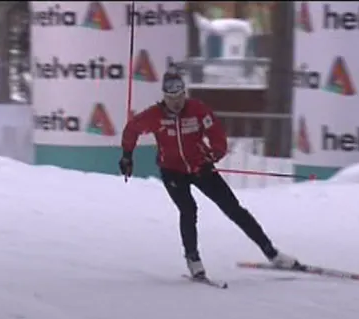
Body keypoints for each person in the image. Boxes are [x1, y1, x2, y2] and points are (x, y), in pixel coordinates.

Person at [118, 68, 302, 279]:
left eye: (180, 97)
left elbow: (217, 136)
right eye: (171, 98)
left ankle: (272, 253)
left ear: (184, 93)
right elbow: (131, 129)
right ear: (164, 97)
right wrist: (127, 156)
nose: (176, 103)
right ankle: (193, 259)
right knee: (188, 210)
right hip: (172, 172)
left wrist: (213, 155)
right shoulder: (155, 115)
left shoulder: (197, 110)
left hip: (200, 168)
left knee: (233, 209)